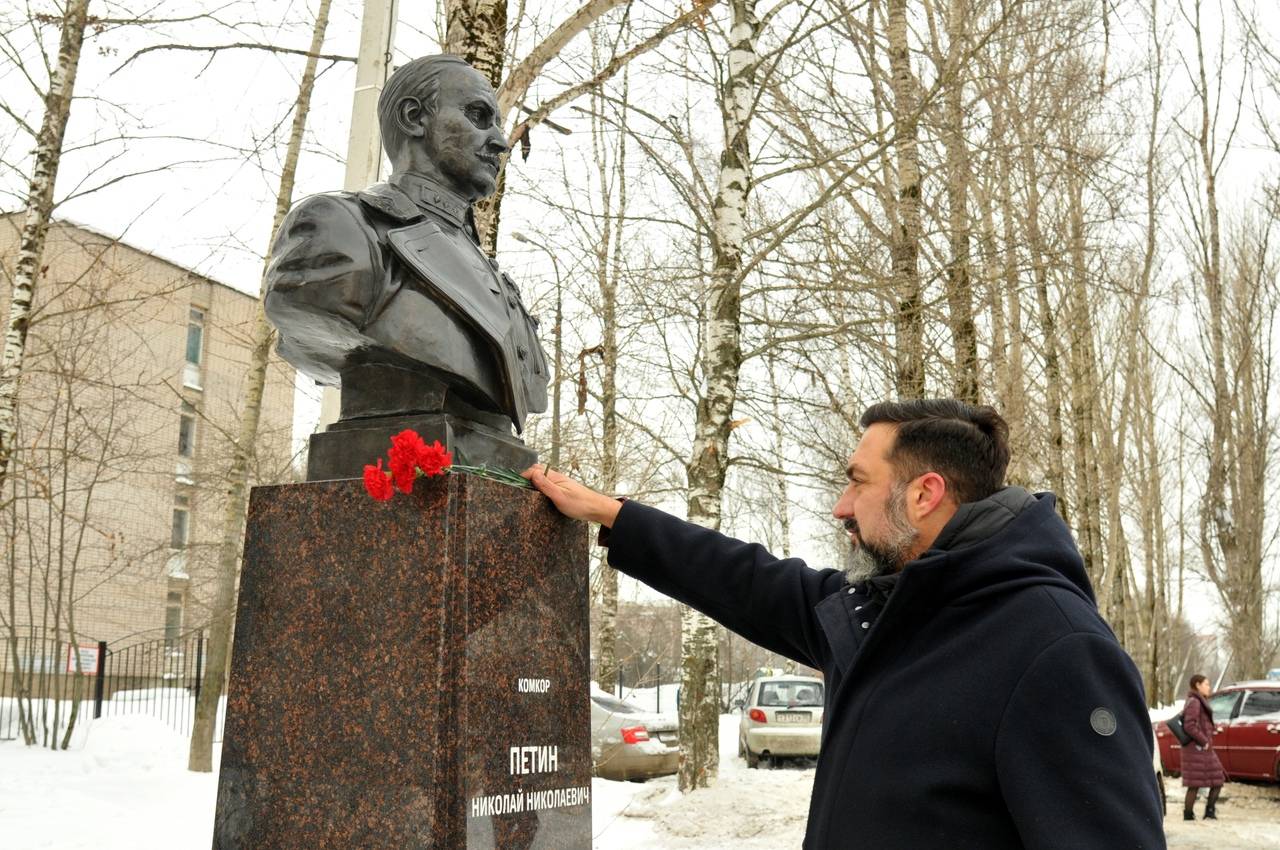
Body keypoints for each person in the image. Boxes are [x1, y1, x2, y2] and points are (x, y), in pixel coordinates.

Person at [524, 399, 1165, 849]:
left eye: (858, 483)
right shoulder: (884, 617)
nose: (840, 507)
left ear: (924, 494)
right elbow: (747, 581)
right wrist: (612, 515)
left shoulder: (1056, 649)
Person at [265, 54, 548, 433]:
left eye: (497, 124)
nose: (499, 141)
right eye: (478, 116)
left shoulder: (494, 276)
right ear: (414, 117)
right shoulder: (341, 226)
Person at [1180, 674, 1226, 820]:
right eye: (1206, 684)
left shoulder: (1196, 700)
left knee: (1201, 782)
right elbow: (1189, 726)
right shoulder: (1195, 702)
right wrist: (1204, 741)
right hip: (1198, 749)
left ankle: (1193, 813)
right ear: (1198, 685)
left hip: (1198, 749)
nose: (1209, 687)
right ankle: (1204, 812)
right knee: (1214, 780)